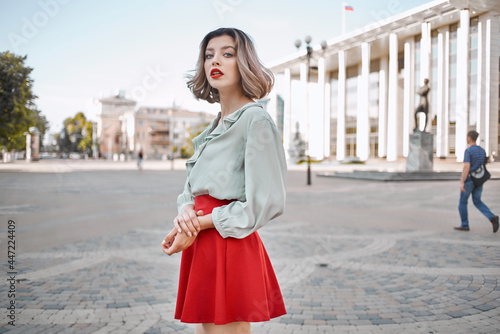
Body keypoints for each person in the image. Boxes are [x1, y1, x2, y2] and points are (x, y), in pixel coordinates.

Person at [161, 28, 287, 334]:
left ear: (243, 61)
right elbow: (192, 190)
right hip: (202, 239)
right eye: (209, 55)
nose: (215, 60)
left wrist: (198, 223)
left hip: (228, 240)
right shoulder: (215, 127)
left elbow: (265, 202)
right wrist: (185, 215)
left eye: (227, 53)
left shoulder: (255, 121)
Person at [455, 130, 498, 232]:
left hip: (469, 180)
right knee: (477, 201)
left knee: (462, 202)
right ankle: (491, 217)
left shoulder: (469, 151)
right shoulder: (482, 150)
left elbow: (466, 167)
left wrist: (462, 182)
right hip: (479, 180)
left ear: (469, 138)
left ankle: (465, 224)